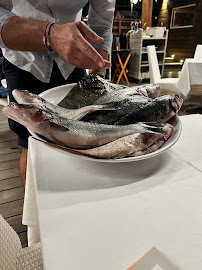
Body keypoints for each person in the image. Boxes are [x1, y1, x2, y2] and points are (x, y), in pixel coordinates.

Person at [0, 1, 115, 185]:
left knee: (79, 135)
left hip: (73, 62)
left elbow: (101, 25)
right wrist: (48, 34)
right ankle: (35, 209)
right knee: (30, 143)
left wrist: (98, 71)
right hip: (24, 59)